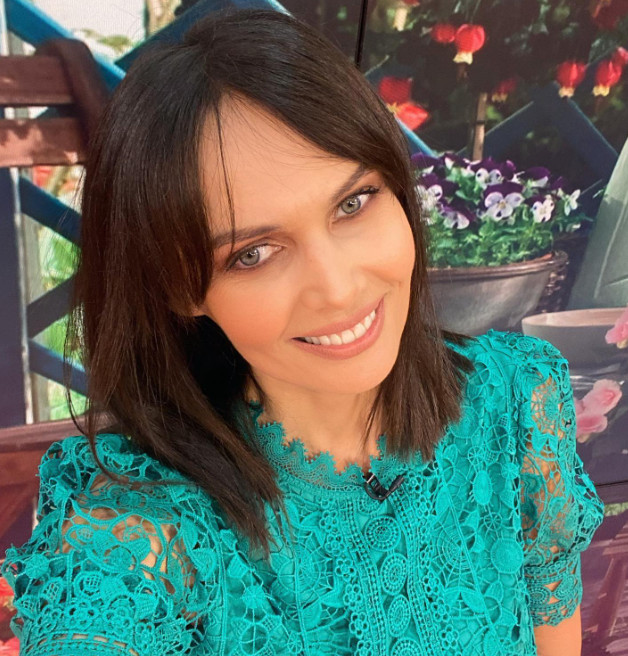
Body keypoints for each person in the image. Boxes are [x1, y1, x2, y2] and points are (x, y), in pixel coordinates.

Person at [1, 8, 604, 656]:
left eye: (353, 203)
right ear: (180, 289)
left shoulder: (514, 402)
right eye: (253, 253)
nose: (338, 288)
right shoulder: (148, 527)